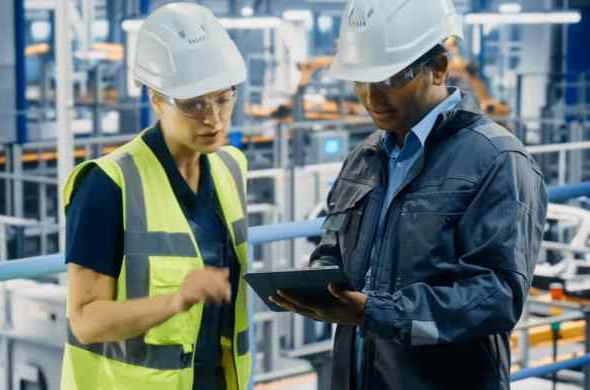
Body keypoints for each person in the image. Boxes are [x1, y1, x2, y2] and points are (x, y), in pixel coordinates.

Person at [271, 1, 548, 389]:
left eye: (392, 78)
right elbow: (332, 246)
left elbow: (495, 299)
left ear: (438, 67)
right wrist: (319, 282)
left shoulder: (496, 160)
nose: (372, 97)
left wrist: (378, 313)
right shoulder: (364, 157)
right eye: (361, 81)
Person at [60, 4, 251, 390]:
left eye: (223, 98)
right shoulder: (107, 186)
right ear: (157, 99)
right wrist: (177, 300)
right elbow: (86, 320)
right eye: (195, 104)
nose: (214, 118)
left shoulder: (232, 169)